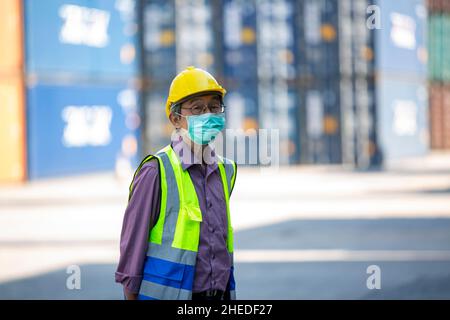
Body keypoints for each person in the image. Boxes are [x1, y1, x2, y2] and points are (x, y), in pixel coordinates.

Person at [115, 66, 237, 300]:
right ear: (175, 118)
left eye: (214, 107)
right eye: (197, 109)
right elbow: (133, 245)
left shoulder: (225, 170)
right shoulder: (155, 171)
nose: (208, 115)